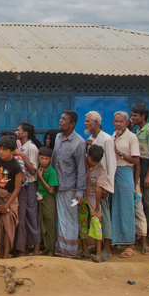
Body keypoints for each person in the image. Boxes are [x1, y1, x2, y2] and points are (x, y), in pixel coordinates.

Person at [52, 110, 87, 259]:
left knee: (71, 219)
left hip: (71, 188)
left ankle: (70, 251)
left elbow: (81, 169)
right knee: (61, 218)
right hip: (58, 186)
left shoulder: (79, 142)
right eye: (60, 118)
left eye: (64, 119)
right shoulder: (58, 137)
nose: (61, 121)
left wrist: (80, 192)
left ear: (72, 124)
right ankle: (61, 249)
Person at [83, 112, 115, 260]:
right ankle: (98, 246)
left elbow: (111, 164)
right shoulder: (90, 140)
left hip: (102, 185)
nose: (86, 124)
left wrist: (107, 187)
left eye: (88, 121)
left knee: (104, 214)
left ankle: (106, 248)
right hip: (90, 187)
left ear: (95, 123)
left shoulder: (107, 139)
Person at [131, 105, 149, 252]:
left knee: (148, 202)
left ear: (143, 116)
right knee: (139, 202)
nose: (133, 118)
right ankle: (143, 235)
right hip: (139, 166)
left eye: (135, 116)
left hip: (146, 165)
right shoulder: (137, 130)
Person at [111, 112, 139, 257]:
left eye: (121, 121)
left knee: (127, 209)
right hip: (114, 174)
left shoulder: (131, 137)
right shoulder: (113, 136)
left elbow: (136, 161)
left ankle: (131, 244)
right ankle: (117, 241)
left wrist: (119, 153)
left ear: (127, 123)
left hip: (126, 173)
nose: (118, 124)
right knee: (115, 209)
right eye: (116, 121)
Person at [0, 135, 23, 259]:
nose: (2, 152)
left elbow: (17, 188)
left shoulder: (16, 166)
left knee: (8, 225)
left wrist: (7, 205)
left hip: (9, 198)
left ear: (12, 151)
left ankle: (5, 255)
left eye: (5, 150)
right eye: (0, 149)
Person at [13, 121, 41, 257]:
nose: (16, 132)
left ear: (25, 133)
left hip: (30, 184)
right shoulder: (21, 147)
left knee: (31, 214)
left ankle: (36, 246)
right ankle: (25, 245)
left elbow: (33, 170)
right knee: (23, 215)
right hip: (22, 185)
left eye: (18, 130)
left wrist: (22, 156)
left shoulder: (31, 149)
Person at [80, 145, 108, 262]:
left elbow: (98, 189)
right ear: (88, 155)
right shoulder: (81, 161)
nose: (93, 164)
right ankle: (85, 249)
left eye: (96, 162)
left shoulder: (101, 168)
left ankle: (98, 253)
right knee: (82, 223)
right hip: (81, 196)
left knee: (97, 223)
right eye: (91, 160)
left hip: (93, 198)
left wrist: (97, 209)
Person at [37, 146, 58, 255]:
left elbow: (50, 190)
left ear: (50, 159)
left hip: (48, 200)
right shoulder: (39, 168)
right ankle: (46, 247)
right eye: (42, 158)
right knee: (42, 223)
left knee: (50, 224)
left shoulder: (51, 171)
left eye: (46, 158)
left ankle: (51, 249)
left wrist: (40, 177)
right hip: (40, 198)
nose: (43, 161)